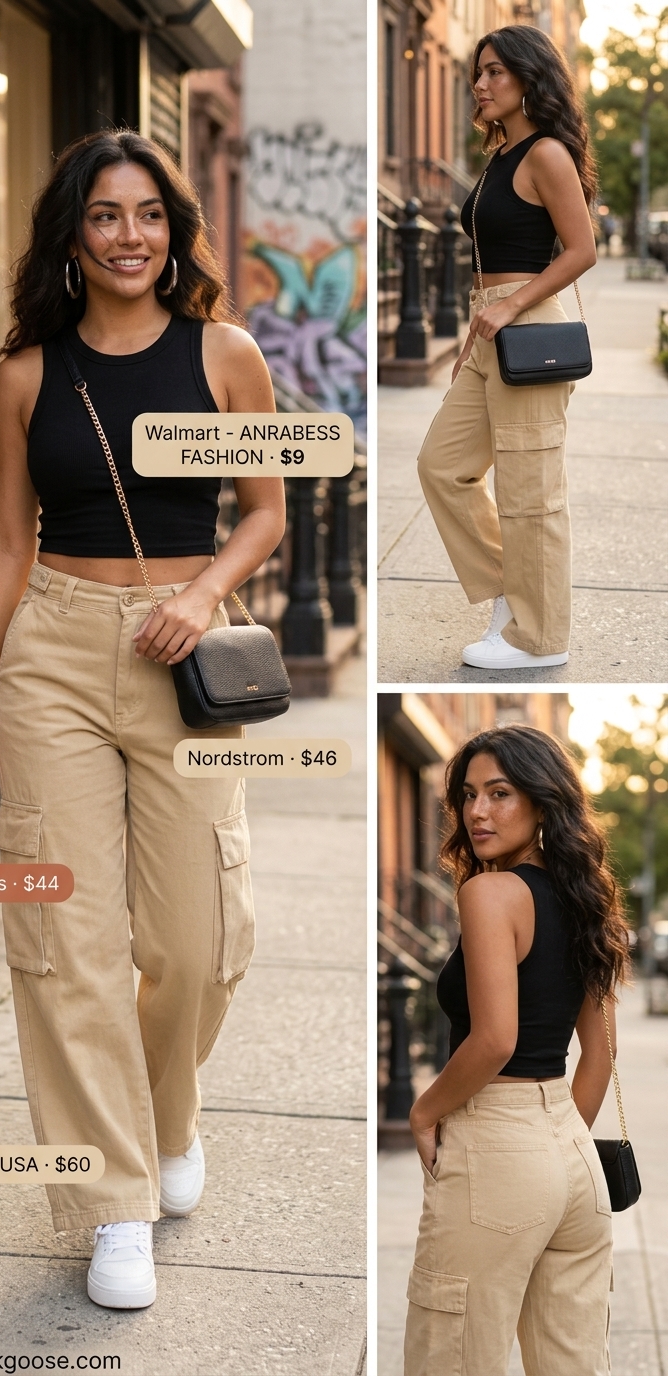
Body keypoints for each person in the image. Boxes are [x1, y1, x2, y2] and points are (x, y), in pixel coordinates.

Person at [0, 130, 285, 1310]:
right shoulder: (29, 372)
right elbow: (4, 540)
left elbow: (264, 509)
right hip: (52, 648)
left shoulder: (224, 352)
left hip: (183, 650)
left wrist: (198, 595)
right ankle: (112, 1200)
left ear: (173, 228)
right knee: (67, 943)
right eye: (105, 215)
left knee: (194, 941)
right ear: (74, 234)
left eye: (149, 213)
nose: (130, 235)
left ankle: (165, 1115)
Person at [404, 724, 631, 1376]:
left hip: (498, 1152)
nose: (477, 811)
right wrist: (556, 1149)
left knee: (449, 1359)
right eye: (469, 794)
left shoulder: (490, 893)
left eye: (500, 793)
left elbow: (496, 1040)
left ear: (542, 801)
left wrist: (425, 1111)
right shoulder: (593, 903)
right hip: (574, 1162)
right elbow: (600, 1055)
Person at [416, 27, 598, 671]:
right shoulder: (503, 154)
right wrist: (480, 319)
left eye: (494, 72)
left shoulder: (546, 153)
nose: (481, 84)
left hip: (527, 323)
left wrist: (510, 307)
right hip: (490, 323)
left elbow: (582, 250)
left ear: (529, 77)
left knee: (531, 492)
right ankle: (510, 593)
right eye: (478, 73)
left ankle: (540, 639)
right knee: (442, 465)